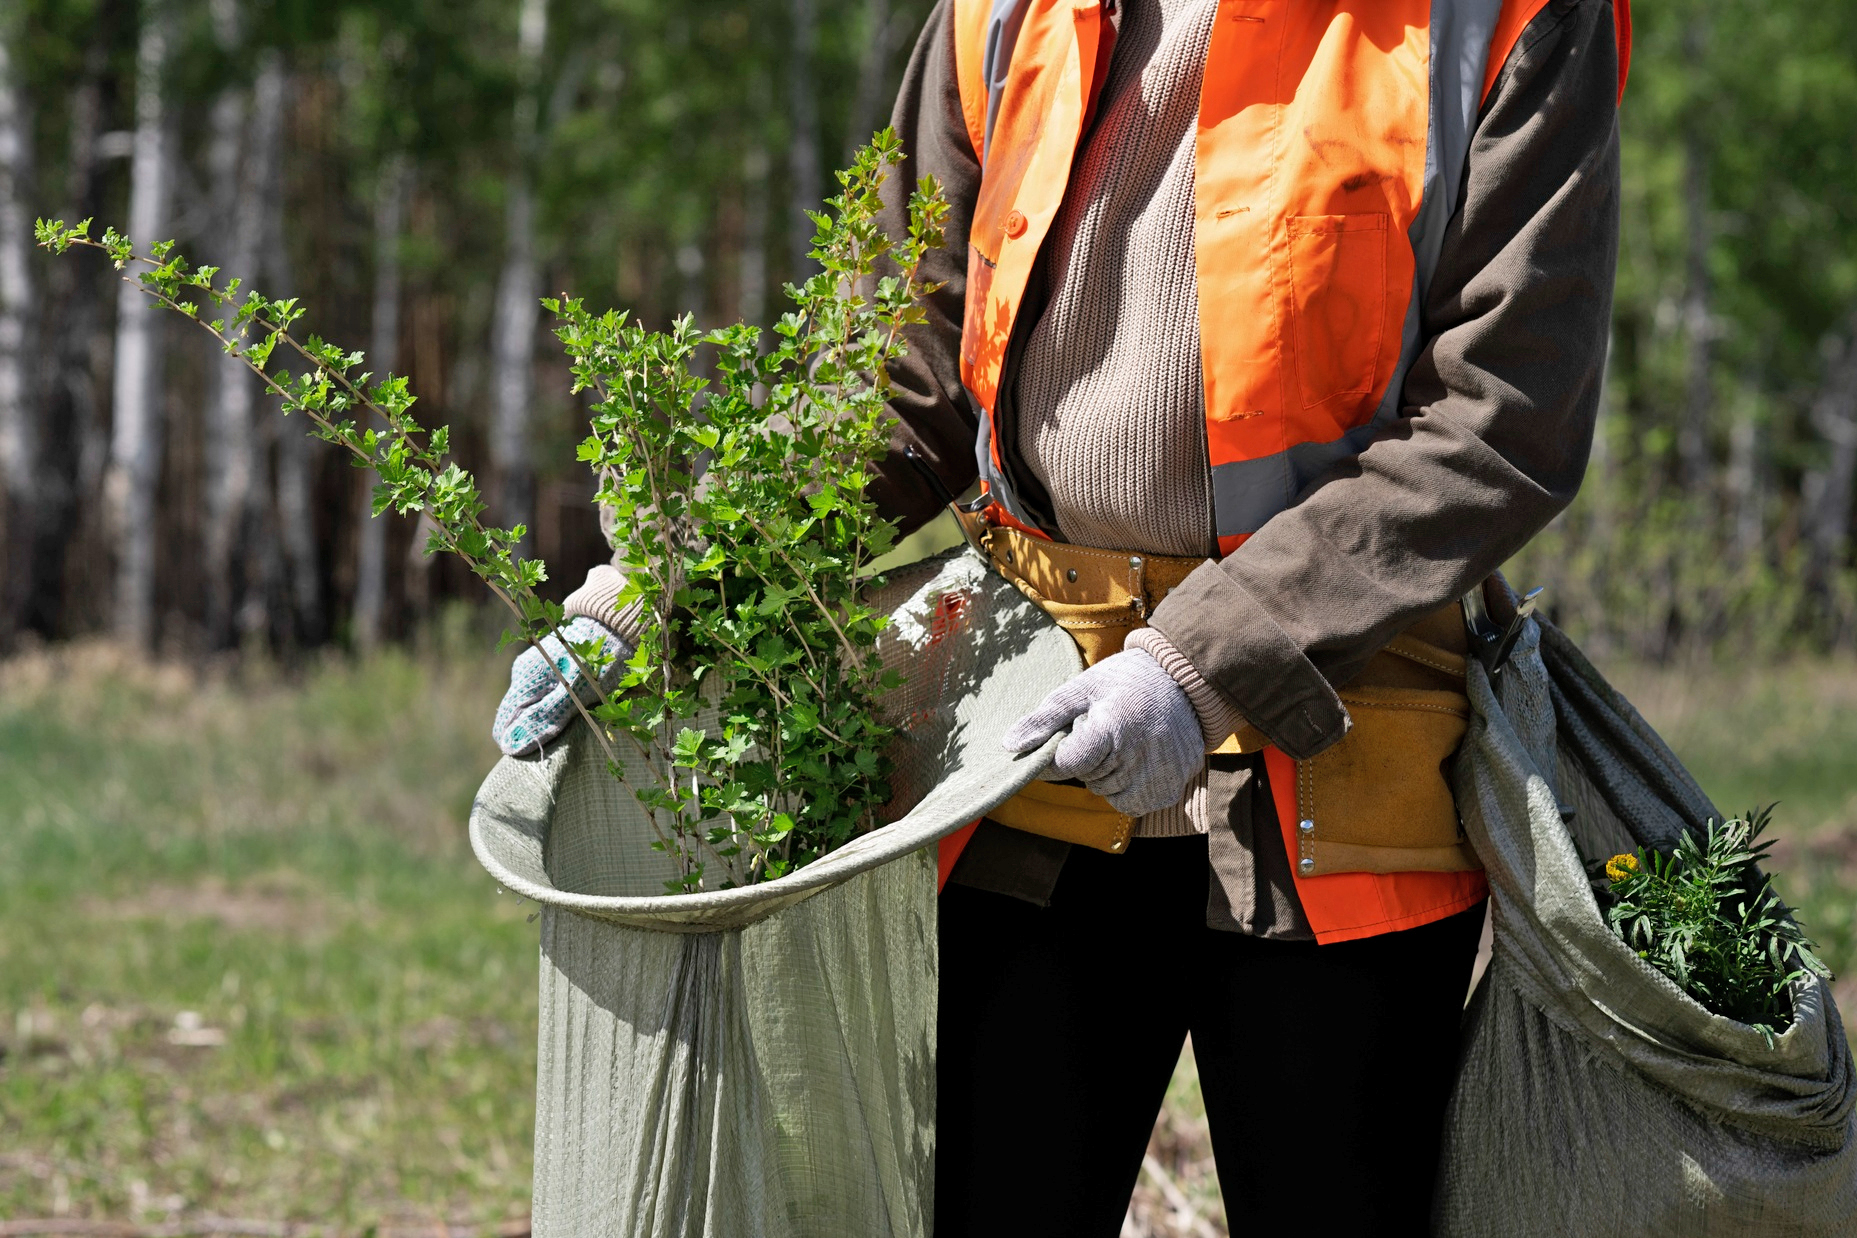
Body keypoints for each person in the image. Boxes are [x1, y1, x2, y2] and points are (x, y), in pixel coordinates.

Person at [494, 0, 1629, 1231]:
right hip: (1026, 752)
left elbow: (1502, 420)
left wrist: (1202, 664)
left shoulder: (1504, 18)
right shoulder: (998, 14)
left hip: (1350, 766)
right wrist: (661, 590)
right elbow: (903, 378)